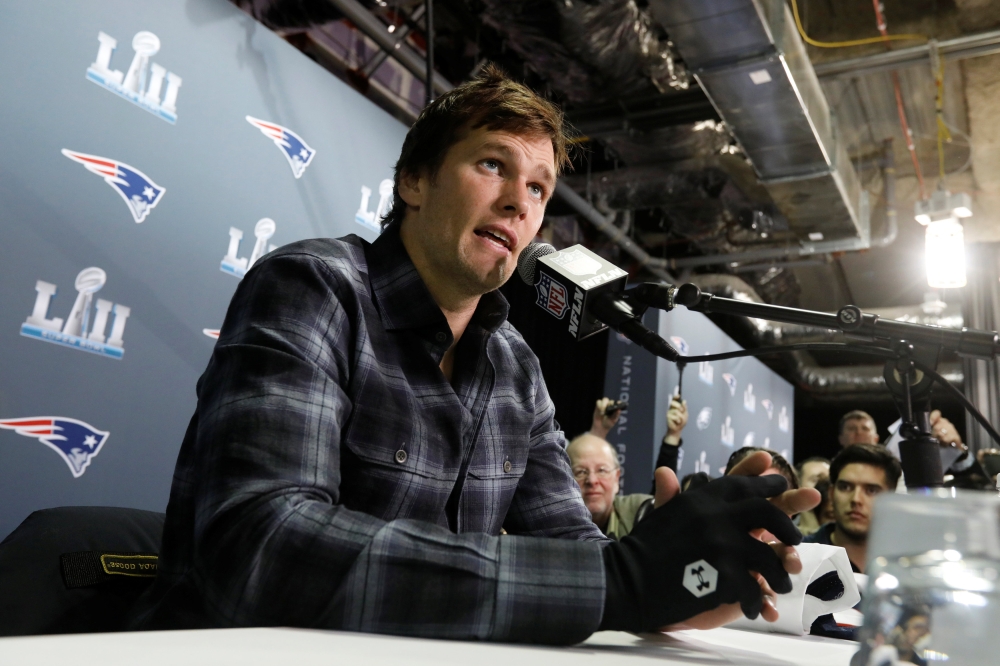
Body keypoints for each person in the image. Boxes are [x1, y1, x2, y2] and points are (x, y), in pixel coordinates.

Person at [133, 65, 815, 643]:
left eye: (539, 188)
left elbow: (570, 547)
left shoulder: (516, 366)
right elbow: (262, 548)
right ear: (414, 181)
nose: (519, 202)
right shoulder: (314, 287)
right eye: (493, 165)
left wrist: (675, 576)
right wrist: (622, 581)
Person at [804, 444, 902, 573]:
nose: (856, 499)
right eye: (845, 487)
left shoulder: (906, 564)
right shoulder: (800, 556)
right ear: (831, 494)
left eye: (871, 490)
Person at [566, 433, 651, 539]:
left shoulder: (640, 511)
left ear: (616, 479)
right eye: (580, 472)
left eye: (602, 470)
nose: (592, 480)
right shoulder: (551, 527)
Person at [795, 457, 830, 536]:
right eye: (816, 480)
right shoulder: (787, 532)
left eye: (828, 480)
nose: (825, 486)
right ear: (798, 485)